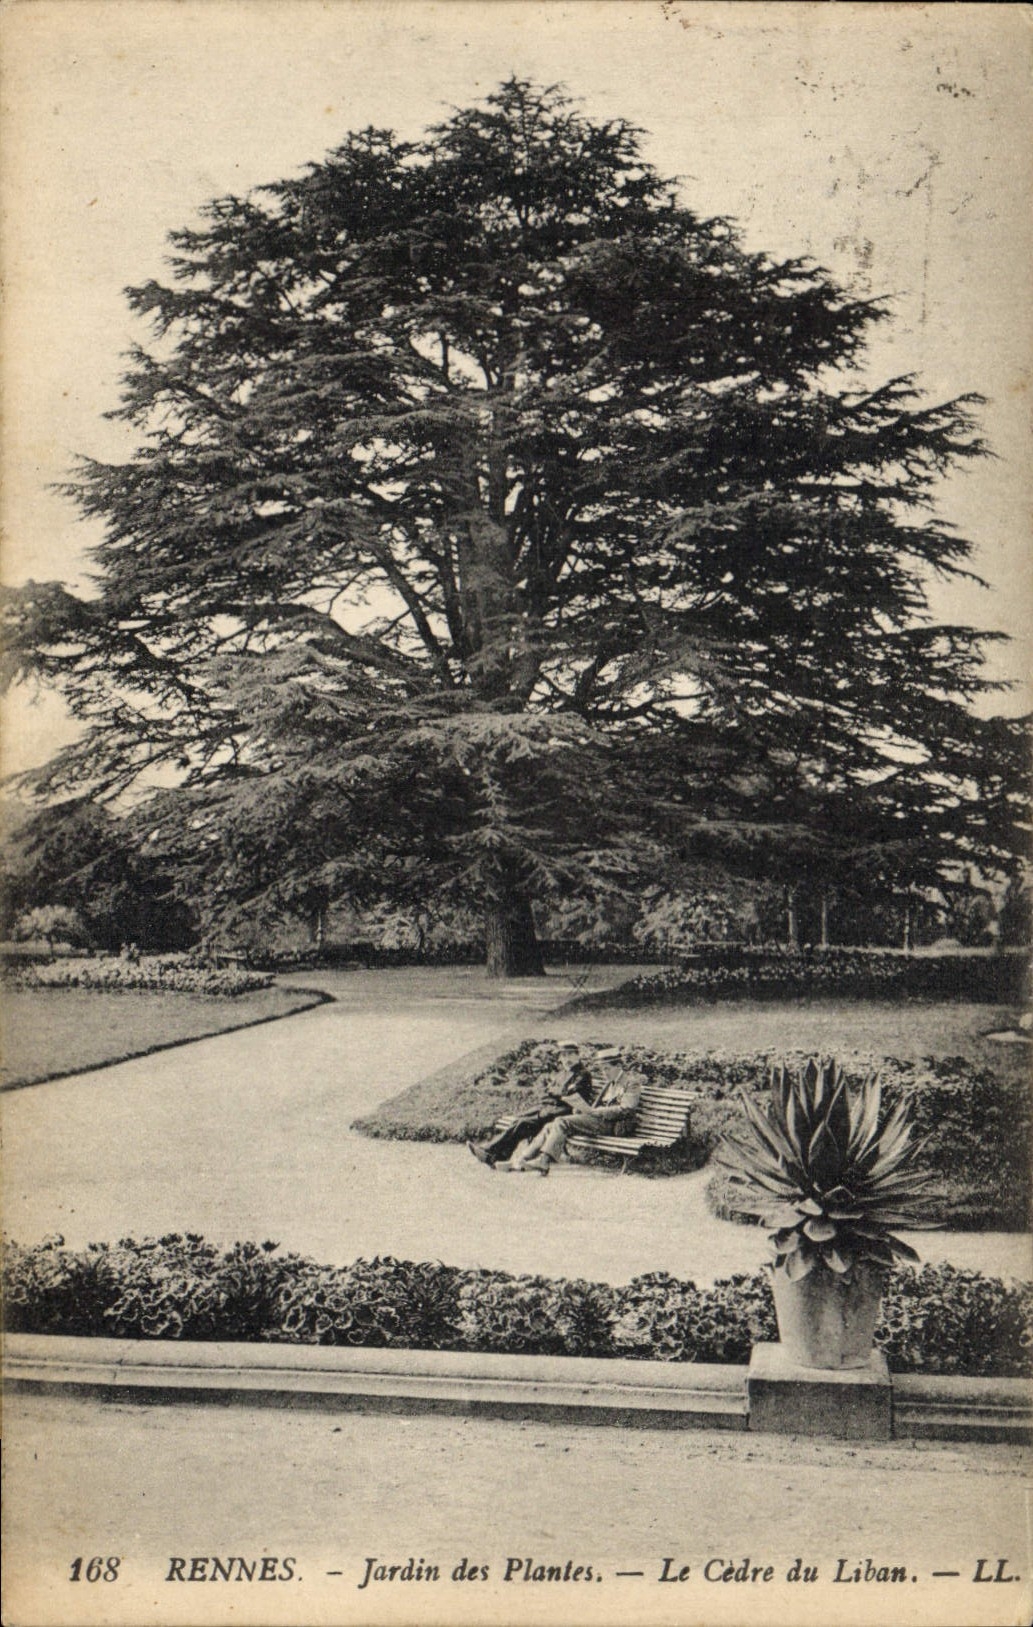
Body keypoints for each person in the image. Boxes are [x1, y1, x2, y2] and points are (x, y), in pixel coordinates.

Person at [467, 1042, 597, 1169]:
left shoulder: (583, 1074)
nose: (566, 1059)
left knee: (523, 1124)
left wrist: (556, 1091)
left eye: (569, 1055)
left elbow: (568, 1094)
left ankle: (491, 1152)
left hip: (564, 1112)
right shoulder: (562, 1073)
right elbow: (548, 1091)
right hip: (548, 1107)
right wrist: (556, 1091)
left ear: (577, 1056)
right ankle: (496, 1155)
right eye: (563, 1056)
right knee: (518, 1121)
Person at [507, 1059, 642, 1176]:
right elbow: (599, 1105)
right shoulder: (610, 1082)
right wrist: (582, 1108)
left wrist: (597, 1111)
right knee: (550, 1126)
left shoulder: (630, 1083)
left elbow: (627, 1109)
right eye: (602, 1070)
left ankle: (544, 1160)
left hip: (616, 1124)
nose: (604, 1073)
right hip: (600, 1120)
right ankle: (522, 1160)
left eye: (607, 1068)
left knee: (562, 1121)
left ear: (618, 1066)